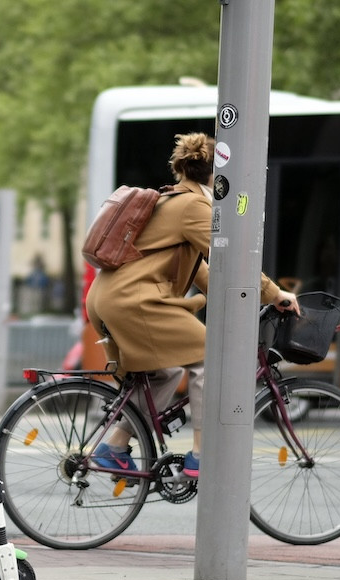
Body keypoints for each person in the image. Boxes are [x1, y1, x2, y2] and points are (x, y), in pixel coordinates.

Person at [85, 132, 300, 478]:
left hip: (108, 298)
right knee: (208, 358)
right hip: (134, 301)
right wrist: (275, 294)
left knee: (166, 372)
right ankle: (201, 455)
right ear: (217, 175)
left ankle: (115, 446)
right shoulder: (194, 207)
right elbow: (229, 260)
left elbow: (202, 270)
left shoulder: (172, 200)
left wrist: (242, 298)